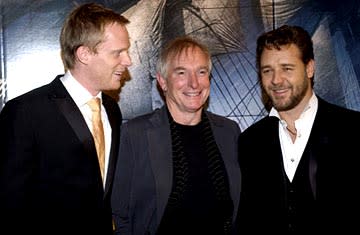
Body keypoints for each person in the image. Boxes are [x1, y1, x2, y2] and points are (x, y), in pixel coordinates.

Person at [0, 3, 132, 234]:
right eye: (118, 52)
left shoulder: (112, 110)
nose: (128, 60)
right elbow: (9, 205)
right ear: (84, 54)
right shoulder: (25, 112)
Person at [236, 24, 360, 234]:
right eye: (267, 71)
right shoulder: (250, 141)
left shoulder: (353, 131)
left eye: (287, 68)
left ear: (309, 68)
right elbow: (248, 221)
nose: (276, 80)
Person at [111, 36, 241, 235]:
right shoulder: (135, 135)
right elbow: (120, 214)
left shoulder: (229, 131)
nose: (194, 83)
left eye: (201, 72)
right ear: (162, 81)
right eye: (181, 72)